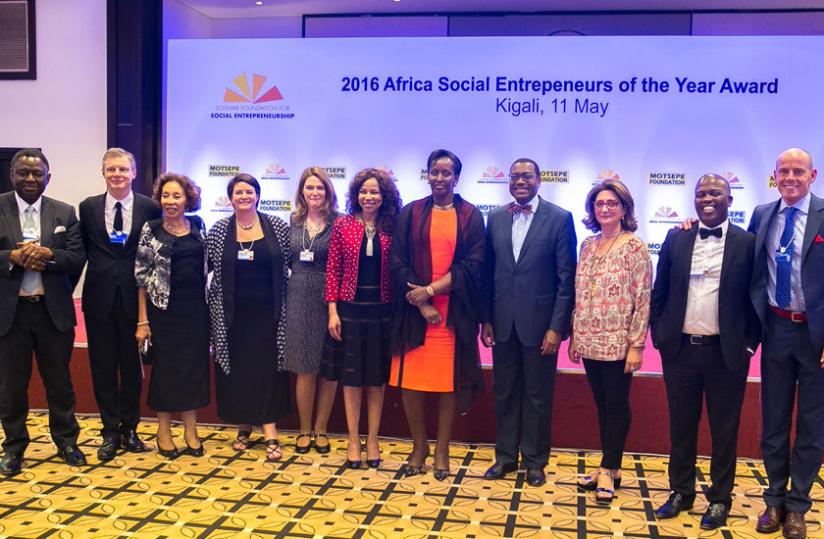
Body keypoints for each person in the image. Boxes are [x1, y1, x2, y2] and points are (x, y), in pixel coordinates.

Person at [649, 174, 758, 529]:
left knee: (724, 430)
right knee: (681, 426)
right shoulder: (676, 236)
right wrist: (661, 337)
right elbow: (660, 290)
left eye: (715, 193)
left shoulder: (747, 243)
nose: (707, 198)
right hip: (680, 351)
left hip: (726, 354)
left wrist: (747, 346)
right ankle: (681, 491)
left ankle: (720, 498)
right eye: (701, 193)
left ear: (729, 199)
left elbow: (755, 300)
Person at [389, 149, 486, 481]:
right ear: (426, 175)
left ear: (456, 178)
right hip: (414, 312)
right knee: (411, 384)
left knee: (448, 384)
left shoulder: (471, 216)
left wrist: (431, 292)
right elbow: (397, 261)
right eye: (435, 172)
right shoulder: (410, 213)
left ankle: (442, 449)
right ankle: (419, 447)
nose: (440, 178)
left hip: (454, 314)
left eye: (447, 173)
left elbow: (472, 266)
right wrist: (422, 302)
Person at [482, 157, 577, 487]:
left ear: (539, 180)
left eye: (527, 176)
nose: (520, 181)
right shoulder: (494, 217)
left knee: (538, 396)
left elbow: (566, 279)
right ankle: (505, 457)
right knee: (504, 392)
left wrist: (557, 327)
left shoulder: (559, 219)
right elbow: (487, 274)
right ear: (509, 181)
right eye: (515, 176)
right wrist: (487, 320)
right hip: (503, 322)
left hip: (541, 327)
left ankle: (535, 461)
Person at [750, 148, 824, 539]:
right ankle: (774, 499)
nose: (790, 177)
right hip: (776, 331)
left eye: (799, 171)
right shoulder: (763, 215)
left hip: (816, 337)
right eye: (784, 171)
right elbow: (746, 265)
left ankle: (798, 506)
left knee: (812, 426)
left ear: (812, 176)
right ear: (774, 175)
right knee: (773, 423)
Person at [0, 148, 87, 475]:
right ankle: (13, 448)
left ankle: (66, 442)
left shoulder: (64, 213)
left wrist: (48, 254)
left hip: (53, 314)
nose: (31, 179)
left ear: (48, 178)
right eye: (24, 173)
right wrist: (13, 257)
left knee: (60, 383)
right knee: (11, 387)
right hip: (11, 315)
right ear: (12, 175)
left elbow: (77, 257)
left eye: (38, 174)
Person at [569, 179, 651, 503]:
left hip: (619, 343)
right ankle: (611, 467)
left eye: (612, 204)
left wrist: (637, 344)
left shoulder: (635, 247)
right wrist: (575, 334)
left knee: (617, 405)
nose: (605, 209)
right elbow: (580, 293)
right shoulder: (587, 245)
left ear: (624, 209)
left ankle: (609, 467)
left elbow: (643, 298)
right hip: (589, 339)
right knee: (602, 405)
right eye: (600, 204)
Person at [79, 148, 161, 461]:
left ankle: (130, 428)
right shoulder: (87, 207)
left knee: (130, 369)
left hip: (134, 300)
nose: (117, 175)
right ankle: (109, 431)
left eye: (123, 170)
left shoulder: (149, 207)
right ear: (103, 173)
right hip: (98, 300)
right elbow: (84, 249)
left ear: (134, 173)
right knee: (102, 369)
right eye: (111, 169)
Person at [207, 174, 291, 461]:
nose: (244, 196)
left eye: (249, 192)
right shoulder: (219, 230)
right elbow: (206, 267)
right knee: (239, 372)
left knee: (267, 371)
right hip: (232, 316)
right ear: (230, 198)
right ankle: (244, 426)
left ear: (257, 195)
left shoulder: (277, 226)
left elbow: (290, 263)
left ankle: (270, 431)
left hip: (270, 315)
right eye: (238, 192)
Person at [321, 168, 400, 469]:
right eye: (364, 192)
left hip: (382, 311)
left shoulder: (393, 226)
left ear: (384, 196)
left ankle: (374, 438)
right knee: (352, 379)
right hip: (349, 310)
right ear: (356, 196)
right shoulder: (343, 225)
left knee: (376, 380)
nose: (369, 197)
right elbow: (333, 270)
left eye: (375, 192)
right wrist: (332, 311)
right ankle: (354, 439)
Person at [135, 172, 209, 459]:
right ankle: (163, 431)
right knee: (166, 372)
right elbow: (140, 278)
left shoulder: (199, 225)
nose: (170, 201)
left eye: (176, 195)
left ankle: (191, 430)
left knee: (193, 371)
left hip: (196, 312)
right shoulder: (151, 230)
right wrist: (143, 321)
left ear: (187, 198)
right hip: (163, 312)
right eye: (166, 195)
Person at [283, 167, 339, 455]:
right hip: (296, 297)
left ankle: (321, 429)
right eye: (309, 188)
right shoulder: (291, 223)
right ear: (301, 192)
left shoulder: (338, 223)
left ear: (328, 191)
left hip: (330, 299)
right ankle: (304, 429)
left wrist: (335, 307)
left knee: (327, 369)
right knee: (305, 368)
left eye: (319, 188)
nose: (314, 192)